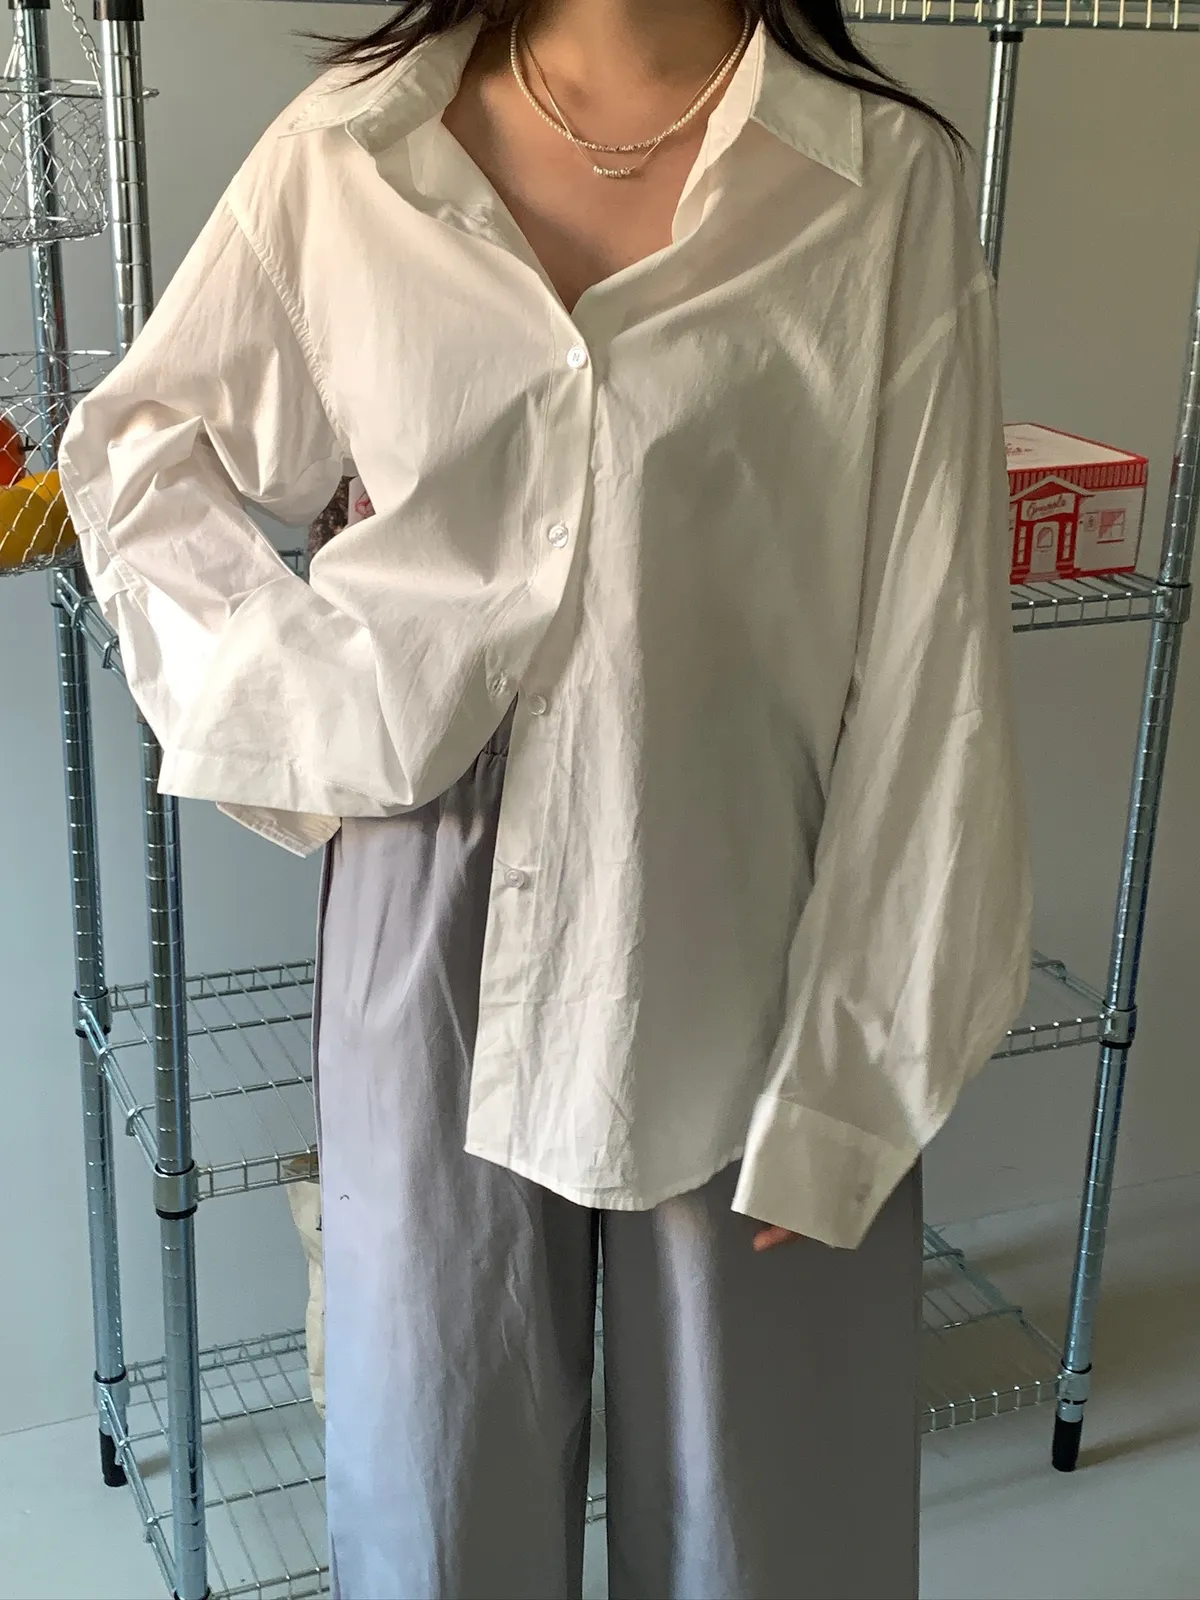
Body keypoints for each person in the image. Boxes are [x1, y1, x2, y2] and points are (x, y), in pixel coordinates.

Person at [56, 1, 1034, 1595]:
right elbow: (142, 449)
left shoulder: (877, 186)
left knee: (766, 1524)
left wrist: (856, 1079)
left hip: (741, 911)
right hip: (428, 887)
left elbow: (936, 659)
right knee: (438, 1491)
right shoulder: (355, 151)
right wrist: (319, 707)